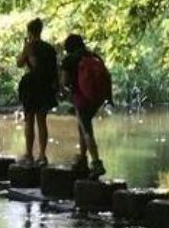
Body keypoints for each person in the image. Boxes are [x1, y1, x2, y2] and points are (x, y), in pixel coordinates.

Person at [61, 34, 107, 179]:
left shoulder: (69, 60)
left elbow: (64, 82)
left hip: (81, 98)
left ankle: (96, 163)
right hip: (97, 98)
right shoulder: (93, 56)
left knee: (87, 130)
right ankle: (82, 158)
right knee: (82, 126)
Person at [17, 18, 58, 165]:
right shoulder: (49, 48)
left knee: (29, 119)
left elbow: (19, 63)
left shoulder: (30, 46)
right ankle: (42, 155)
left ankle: (29, 154)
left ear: (29, 31)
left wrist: (24, 47)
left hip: (31, 85)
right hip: (45, 86)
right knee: (42, 120)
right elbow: (54, 70)